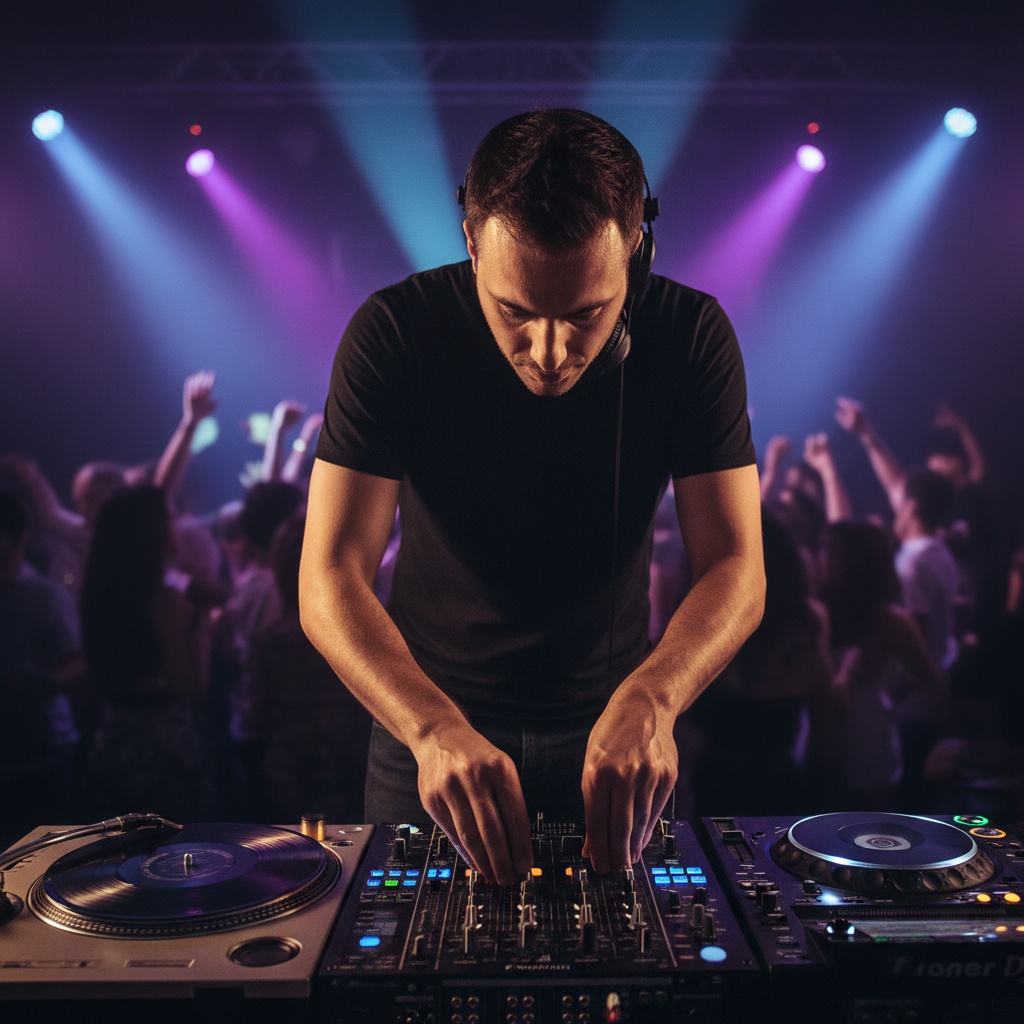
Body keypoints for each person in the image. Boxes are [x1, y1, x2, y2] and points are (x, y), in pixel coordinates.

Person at [299, 109, 764, 885]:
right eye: (515, 311)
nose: (549, 352)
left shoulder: (691, 336)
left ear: (638, 250)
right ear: (473, 243)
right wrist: (432, 727)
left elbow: (737, 565)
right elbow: (328, 578)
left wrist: (655, 698)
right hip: (427, 730)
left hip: (617, 732)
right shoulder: (393, 333)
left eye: (587, 315)